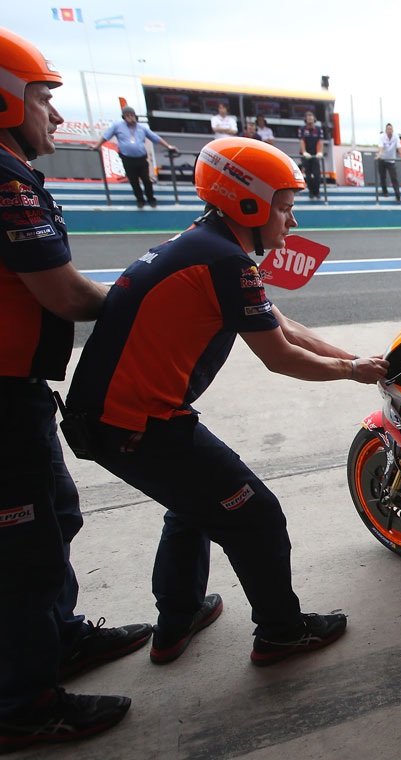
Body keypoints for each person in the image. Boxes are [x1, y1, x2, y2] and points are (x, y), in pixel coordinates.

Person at [65, 136, 390, 674]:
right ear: (248, 203)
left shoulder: (206, 245)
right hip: (139, 424)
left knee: (194, 504)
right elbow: (281, 356)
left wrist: (358, 359)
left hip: (113, 420)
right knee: (255, 515)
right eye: (284, 208)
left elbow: (285, 326)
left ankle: (177, 620)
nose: (291, 223)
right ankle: (281, 633)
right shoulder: (225, 262)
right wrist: (353, 372)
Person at [0, 27, 153, 753]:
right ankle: (22, 702)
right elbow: (62, 293)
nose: (56, 115)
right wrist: (137, 298)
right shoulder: (5, 180)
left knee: (53, 518)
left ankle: (57, 641)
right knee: (22, 548)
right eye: (42, 98)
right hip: (3, 400)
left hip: (19, 390)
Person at [92, 105, 179, 209]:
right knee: (134, 181)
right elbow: (106, 136)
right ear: (124, 117)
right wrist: (97, 146)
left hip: (141, 158)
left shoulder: (141, 128)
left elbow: (155, 138)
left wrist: (168, 146)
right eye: (128, 115)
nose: (130, 117)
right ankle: (140, 199)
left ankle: (151, 198)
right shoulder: (117, 126)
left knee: (146, 180)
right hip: (127, 158)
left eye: (132, 115)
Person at [297, 111, 324, 201]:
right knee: (308, 175)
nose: (310, 120)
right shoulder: (302, 129)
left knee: (317, 175)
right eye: (308, 118)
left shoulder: (319, 129)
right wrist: (304, 152)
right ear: (306, 120)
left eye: (311, 118)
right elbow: (301, 141)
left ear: (314, 119)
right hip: (306, 155)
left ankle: (317, 192)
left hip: (315, 155)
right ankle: (311, 192)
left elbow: (320, 141)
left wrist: (320, 152)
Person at [378, 123, 401, 203]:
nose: (389, 131)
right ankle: (385, 191)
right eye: (388, 129)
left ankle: (398, 195)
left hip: (391, 160)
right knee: (383, 176)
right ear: (386, 130)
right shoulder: (382, 136)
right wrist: (380, 154)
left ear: (392, 130)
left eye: (391, 129)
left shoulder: (395, 136)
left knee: (394, 178)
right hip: (382, 159)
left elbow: (399, 146)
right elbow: (380, 146)